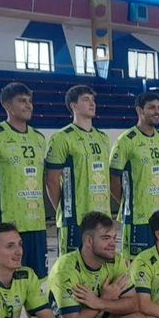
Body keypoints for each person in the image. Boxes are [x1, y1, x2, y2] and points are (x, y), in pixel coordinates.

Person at [0, 82, 49, 277]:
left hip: (36, 225)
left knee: (37, 283)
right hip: (5, 228)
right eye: (22, 101)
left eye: (29, 101)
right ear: (7, 106)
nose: (28, 105)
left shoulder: (39, 138)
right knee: (7, 285)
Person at [45, 84, 113, 255]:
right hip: (75, 219)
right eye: (85, 99)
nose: (92, 103)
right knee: (72, 269)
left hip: (102, 216)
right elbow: (52, 181)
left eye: (93, 100)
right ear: (73, 106)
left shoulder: (103, 138)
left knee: (101, 266)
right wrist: (65, 210)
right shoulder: (62, 138)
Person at [110, 92, 159, 258]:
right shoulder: (126, 140)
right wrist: (128, 203)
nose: (157, 111)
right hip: (138, 219)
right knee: (135, 266)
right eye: (152, 107)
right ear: (139, 110)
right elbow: (113, 179)